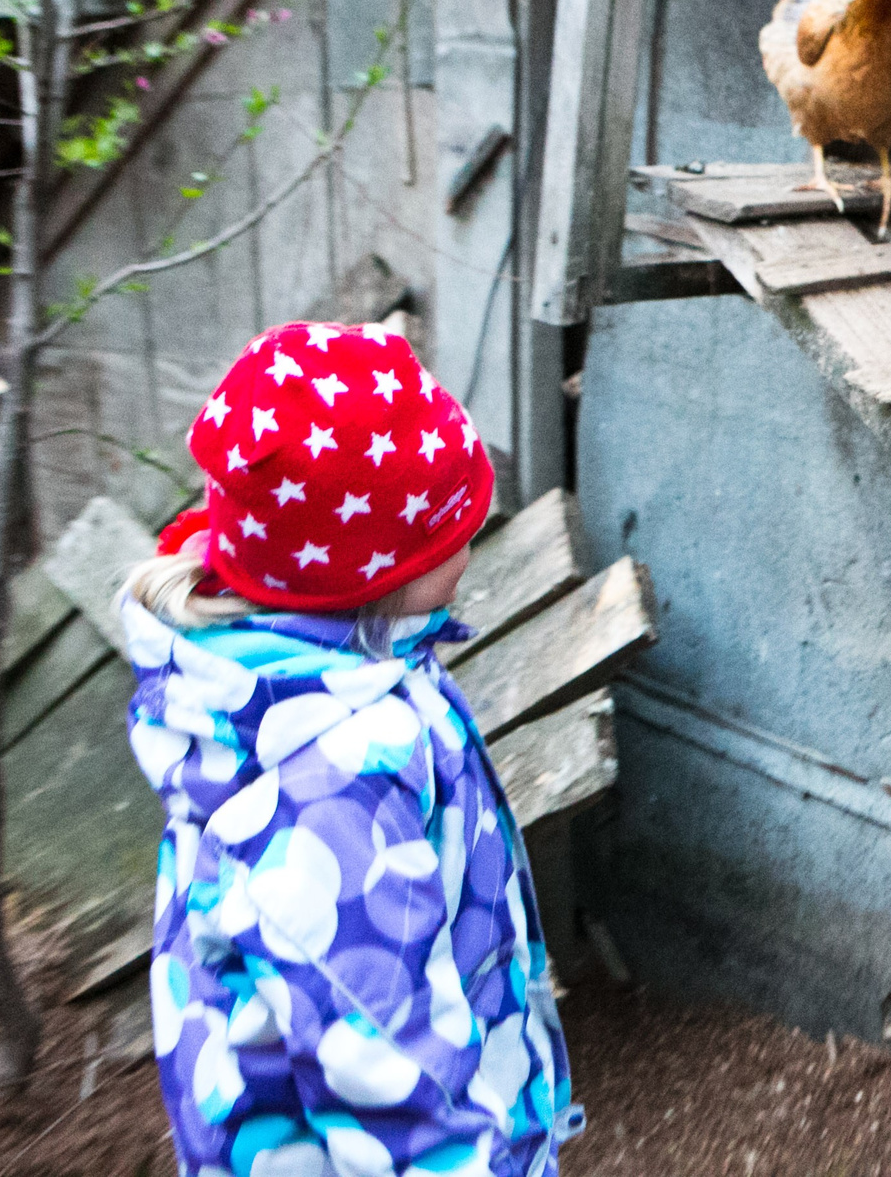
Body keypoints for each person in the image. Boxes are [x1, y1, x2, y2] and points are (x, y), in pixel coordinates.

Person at [119, 321, 579, 1177]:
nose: (474, 532)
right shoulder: (335, 774)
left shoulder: (339, 669)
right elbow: (387, 1068)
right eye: (454, 522)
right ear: (377, 573)